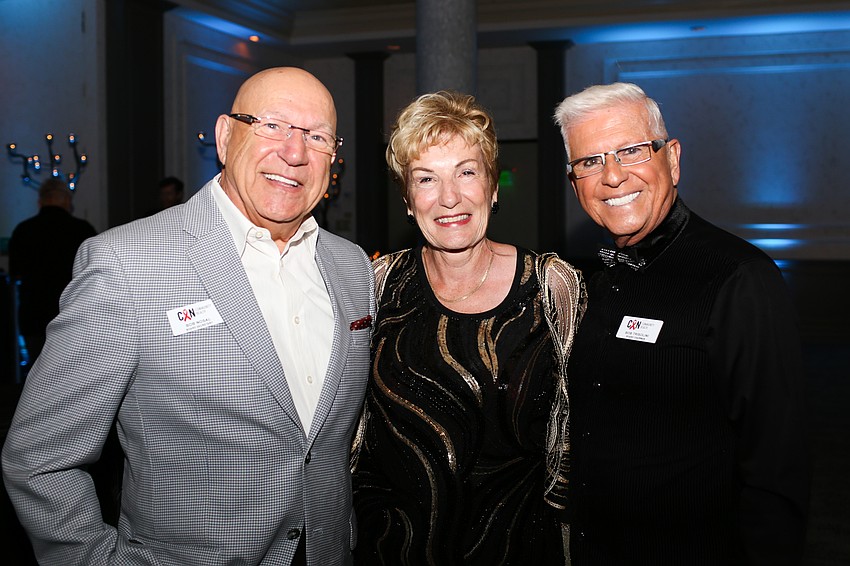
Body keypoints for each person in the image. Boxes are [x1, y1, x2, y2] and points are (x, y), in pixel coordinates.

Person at [3, 67, 374, 566]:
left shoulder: (351, 266)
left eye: (318, 136)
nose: (295, 152)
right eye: (272, 125)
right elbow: (40, 460)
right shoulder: (126, 263)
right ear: (225, 136)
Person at [553, 82, 810, 565]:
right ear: (575, 184)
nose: (611, 176)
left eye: (630, 151)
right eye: (589, 162)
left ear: (671, 160)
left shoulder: (738, 278)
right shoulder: (595, 277)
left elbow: (777, 467)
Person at [352, 90, 586, 565]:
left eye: (466, 171)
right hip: (391, 549)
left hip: (518, 547)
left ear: (493, 187)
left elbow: (583, 434)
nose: (449, 197)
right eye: (426, 178)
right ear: (407, 199)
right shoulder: (376, 286)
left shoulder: (552, 286)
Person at [8, 177, 96, 367]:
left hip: (34, 316)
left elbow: (15, 274)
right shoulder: (82, 230)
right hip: (73, 314)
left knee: (36, 376)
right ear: (67, 200)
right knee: (72, 373)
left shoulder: (23, 231)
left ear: (40, 201)